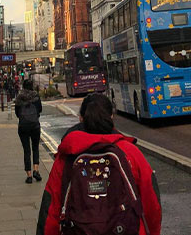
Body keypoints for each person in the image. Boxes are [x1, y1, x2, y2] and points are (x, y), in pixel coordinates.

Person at [36, 94, 161, 235]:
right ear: (111, 116)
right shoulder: (130, 153)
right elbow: (152, 204)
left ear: (81, 118)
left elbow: (50, 208)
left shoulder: (67, 157)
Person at [14, 79, 43, 184]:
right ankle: (36, 170)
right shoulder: (36, 96)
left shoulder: (19, 97)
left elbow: (17, 113)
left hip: (23, 127)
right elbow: (40, 109)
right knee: (35, 148)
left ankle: (29, 175)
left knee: (27, 150)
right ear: (32, 86)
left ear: (23, 87)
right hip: (35, 125)